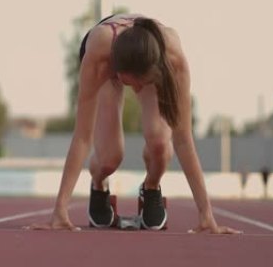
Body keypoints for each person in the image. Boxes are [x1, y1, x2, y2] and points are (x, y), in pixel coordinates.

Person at [28, 14, 240, 234]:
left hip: (148, 59)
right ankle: (99, 184)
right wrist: (60, 211)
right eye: (131, 83)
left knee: (160, 142)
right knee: (110, 158)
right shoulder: (99, 57)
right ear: (116, 72)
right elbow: (82, 136)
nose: (136, 91)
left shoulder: (173, 59)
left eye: (142, 84)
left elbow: (183, 140)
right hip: (108, 52)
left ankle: (150, 186)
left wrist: (206, 215)